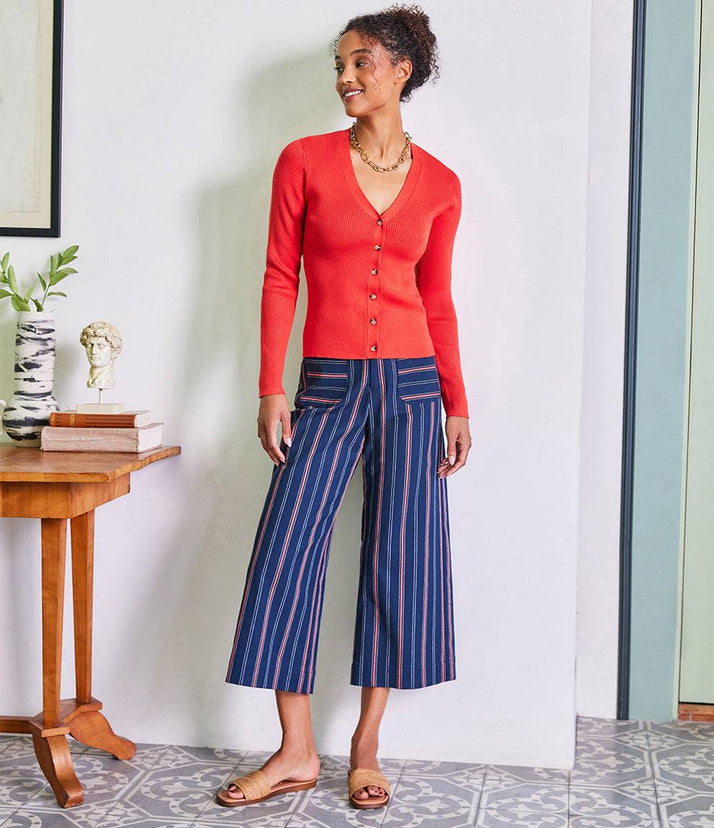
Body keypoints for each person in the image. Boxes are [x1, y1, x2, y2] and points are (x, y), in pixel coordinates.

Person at [217, 2, 472, 811]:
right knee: (286, 554)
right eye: (341, 62)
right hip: (324, 383)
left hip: (410, 387)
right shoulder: (302, 160)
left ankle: (365, 744)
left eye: (362, 61)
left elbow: (438, 299)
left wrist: (456, 402)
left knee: (400, 562)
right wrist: (268, 385)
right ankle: (294, 748)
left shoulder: (441, 185)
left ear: (402, 70)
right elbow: (277, 277)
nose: (346, 76)